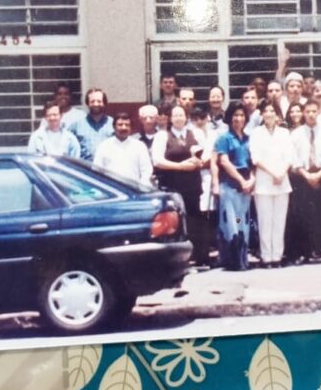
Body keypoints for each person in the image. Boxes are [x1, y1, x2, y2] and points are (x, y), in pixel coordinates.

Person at [152, 104, 209, 268]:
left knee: (195, 221)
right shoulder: (162, 136)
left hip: (192, 185)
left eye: (181, 115)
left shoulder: (196, 133)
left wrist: (198, 161)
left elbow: (205, 154)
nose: (178, 118)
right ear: (170, 118)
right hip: (172, 186)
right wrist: (181, 166)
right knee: (174, 222)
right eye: (175, 115)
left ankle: (199, 258)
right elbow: (157, 160)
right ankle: (176, 261)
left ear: (186, 117)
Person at [249, 102, 293, 268]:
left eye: (272, 111)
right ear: (261, 114)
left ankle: (277, 257)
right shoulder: (256, 133)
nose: (269, 114)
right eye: (266, 111)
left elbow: (289, 156)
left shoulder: (284, 133)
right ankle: (266, 257)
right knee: (265, 221)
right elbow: (256, 158)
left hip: (282, 181)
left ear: (277, 115)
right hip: (264, 182)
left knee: (279, 221)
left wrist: (281, 173)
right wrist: (273, 173)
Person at [290, 98, 321, 261]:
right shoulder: (296, 134)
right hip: (303, 178)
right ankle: (306, 253)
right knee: (304, 216)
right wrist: (307, 175)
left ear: (318, 112)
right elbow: (293, 158)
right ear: (303, 113)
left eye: (313, 111)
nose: (310, 114)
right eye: (307, 111)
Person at [214, 103, 254, 271]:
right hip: (230, 186)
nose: (239, 119)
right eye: (235, 115)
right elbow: (224, 161)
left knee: (242, 222)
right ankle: (233, 261)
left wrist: (251, 180)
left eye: (242, 115)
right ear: (230, 118)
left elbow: (253, 163)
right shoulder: (224, 138)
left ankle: (243, 259)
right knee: (232, 223)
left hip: (245, 189)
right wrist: (240, 180)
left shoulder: (248, 138)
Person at [94, 112, 153, 185]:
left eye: (127, 125)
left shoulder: (139, 146)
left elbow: (146, 171)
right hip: (112, 189)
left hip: (134, 189)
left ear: (131, 128)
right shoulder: (104, 146)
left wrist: (142, 186)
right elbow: (97, 170)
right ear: (114, 127)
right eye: (120, 125)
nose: (124, 128)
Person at [69, 88, 114, 161]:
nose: (96, 104)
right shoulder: (76, 126)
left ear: (104, 103)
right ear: (87, 103)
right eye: (92, 101)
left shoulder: (113, 124)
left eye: (99, 101)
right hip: (85, 169)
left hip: (107, 168)